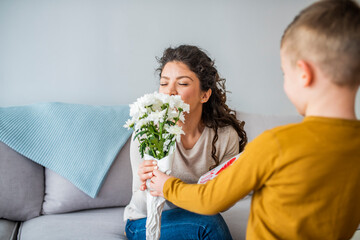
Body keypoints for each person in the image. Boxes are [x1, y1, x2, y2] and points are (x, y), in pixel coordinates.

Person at [149, 1, 360, 239]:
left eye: (285, 73)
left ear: (304, 73)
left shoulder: (276, 145)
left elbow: (209, 200)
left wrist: (168, 185)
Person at [123, 45, 247, 239]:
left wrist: (171, 187)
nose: (170, 91)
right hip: (145, 222)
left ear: (204, 95)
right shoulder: (148, 131)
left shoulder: (224, 136)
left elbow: (224, 200)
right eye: (164, 83)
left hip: (199, 216)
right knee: (208, 224)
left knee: (207, 221)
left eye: (182, 83)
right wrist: (147, 187)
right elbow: (140, 206)